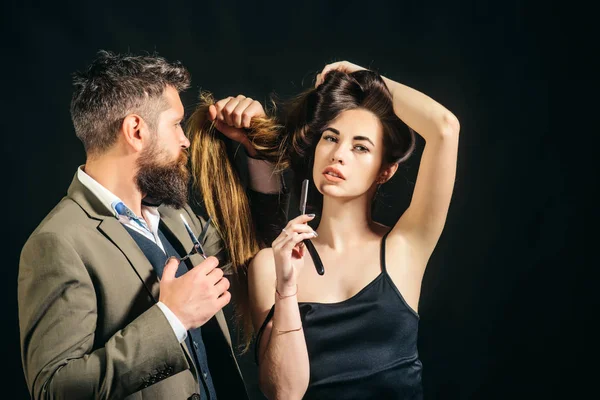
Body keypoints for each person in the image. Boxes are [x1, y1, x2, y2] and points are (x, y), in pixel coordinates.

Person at [17, 50, 283, 400]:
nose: (185, 140)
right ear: (136, 130)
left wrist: (257, 151)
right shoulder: (58, 242)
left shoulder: (176, 216)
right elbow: (55, 389)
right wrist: (171, 319)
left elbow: (254, 251)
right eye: (175, 124)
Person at [247, 61, 460, 399]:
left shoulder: (405, 246)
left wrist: (367, 77)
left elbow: (445, 127)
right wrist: (286, 289)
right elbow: (284, 393)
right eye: (330, 138)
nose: (338, 154)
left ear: (385, 172)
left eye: (360, 147)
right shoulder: (270, 263)